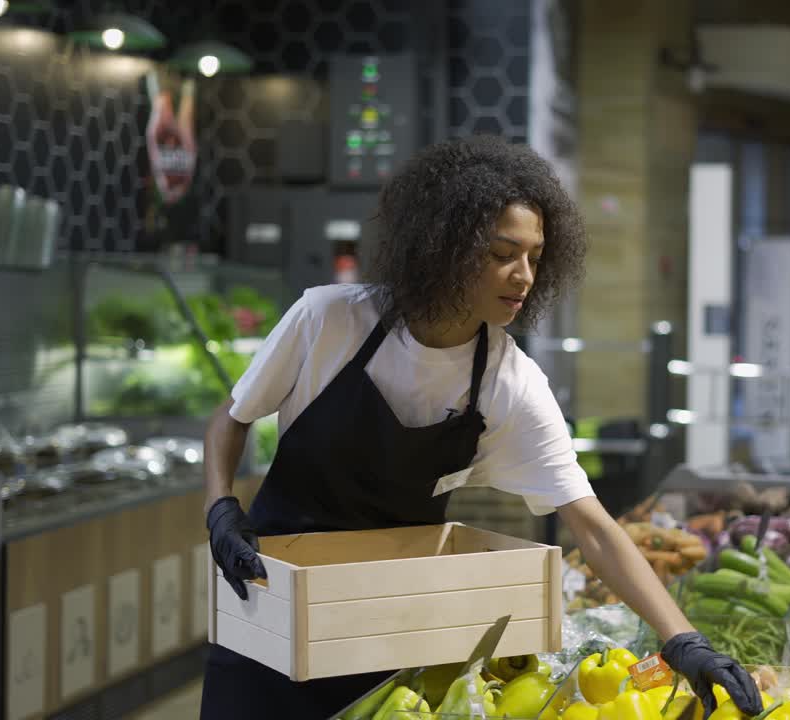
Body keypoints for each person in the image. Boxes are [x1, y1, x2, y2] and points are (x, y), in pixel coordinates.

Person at [199, 135, 761, 719]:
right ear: (444, 245)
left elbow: (592, 528)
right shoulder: (329, 321)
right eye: (501, 252)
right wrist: (221, 509)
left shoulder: (506, 381)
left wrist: (683, 640)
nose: (523, 275)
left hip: (389, 637)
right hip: (268, 604)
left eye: (536, 257)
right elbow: (230, 419)